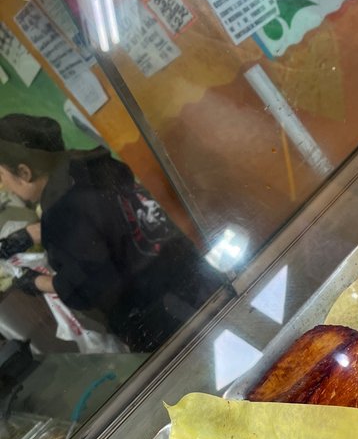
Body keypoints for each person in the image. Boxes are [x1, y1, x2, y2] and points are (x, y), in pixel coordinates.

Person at [0, 113, 226, 352]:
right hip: (197, 278)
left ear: (24, 172)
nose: (3, 185)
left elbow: (85, 288)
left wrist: (35, 282)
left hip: (169, 320)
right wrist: (32, 234)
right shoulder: (93, 165)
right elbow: (108, 221)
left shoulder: (61, 214)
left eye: (2, 175)